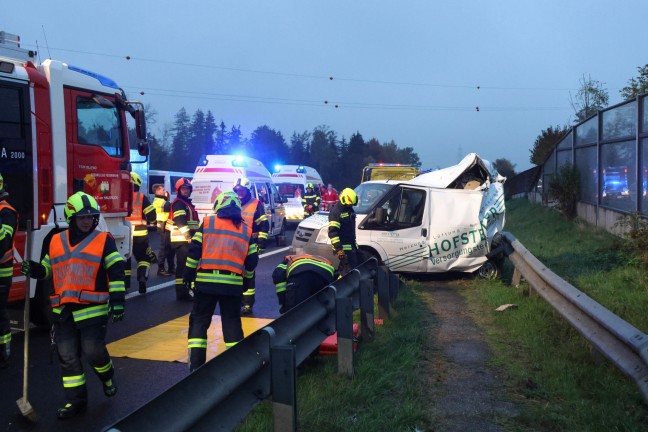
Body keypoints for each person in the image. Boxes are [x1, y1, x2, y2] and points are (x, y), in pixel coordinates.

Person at [20, 192, 125, 419]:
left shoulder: (103, 240)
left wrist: (117, 302)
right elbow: (49, 268)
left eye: (91, 217)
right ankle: (76, 402)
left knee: (93, 352)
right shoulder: (56, 240)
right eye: (82, 217)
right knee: (67, 358)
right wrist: (36, 269)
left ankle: (107, 377)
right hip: (63, 311)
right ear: (71, 218)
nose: (87, 221)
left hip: (92, 310)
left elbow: (116, 270)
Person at [183, 191, 255, 372]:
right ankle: (237, 368)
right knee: (231, 323)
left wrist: (188, 275)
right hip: (233, 285)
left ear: (218, 206)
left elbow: (194, 252)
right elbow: (252, 260)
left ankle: (196, 369)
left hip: (206, 283)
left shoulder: (208, 223)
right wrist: (246, 279)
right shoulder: (246, 229)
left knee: (199, 321)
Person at [233, 178, 269, 315]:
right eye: (237, 190)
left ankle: (247, 304)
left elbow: (264, 225)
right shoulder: (233, 203)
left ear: (247, 190)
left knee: (249, 274)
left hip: (250, 244)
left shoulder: (256, 204)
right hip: (235, 245)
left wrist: (261, 244)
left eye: (241, 190)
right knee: (235, 273)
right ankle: (235, 301)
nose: (239, 193)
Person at [166, 178, 200, 301]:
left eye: (187, 189)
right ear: (178, 190)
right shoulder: (179, 203)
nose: (186, 191)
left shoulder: (185, 203)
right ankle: (182, 293)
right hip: (182, 240)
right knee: (183, 267)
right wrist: (188, 236)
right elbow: (180, 220)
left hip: (185, 240)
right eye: (183, 189)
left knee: (186, 267)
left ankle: (185, 291)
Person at [125, 172, 156, 294]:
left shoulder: (120, 196)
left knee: (124, 260)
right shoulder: (141, 197)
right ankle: (142, 278)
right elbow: (152, 215)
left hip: (124, 234)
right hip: (140, 235)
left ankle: (125, 285)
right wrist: (152, 222)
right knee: (143, 258)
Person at [0, 174, 17, 368]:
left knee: (0, 312)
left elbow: (2, 243)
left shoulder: (7, 212)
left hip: (1, 273)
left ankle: (3, 350)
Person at [328, 188, 361, 276]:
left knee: (360, 265)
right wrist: (339, 249)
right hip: (343, 249)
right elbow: (332, 233)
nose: (350, 206)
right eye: (349, 204)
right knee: (348, 272)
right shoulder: (335, 213)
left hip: (352, 246)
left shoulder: (348, 208)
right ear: (343, 199)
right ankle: (340, 288)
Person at [152, 184, 175, 276]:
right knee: (165, 248)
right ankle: (161, 269)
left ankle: (171, 268)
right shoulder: (160, 201)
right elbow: (169, 207)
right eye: (162, 190)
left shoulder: (159, 200)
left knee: (170, 247)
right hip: (163, 225)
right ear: (157, 192)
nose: (165, 191)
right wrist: (167, 198)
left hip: (165, 225)